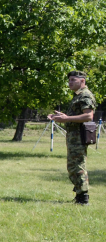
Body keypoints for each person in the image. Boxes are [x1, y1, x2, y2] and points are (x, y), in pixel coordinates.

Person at [48, 70, 96, 205]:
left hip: (79, 135)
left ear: (82, 81)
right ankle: (79, 195)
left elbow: (88, 116)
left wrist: (66, 118)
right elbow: (77, 115)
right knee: (72, 166)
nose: (70, 82)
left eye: (73, 80)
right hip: (73, 136)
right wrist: (61, 116)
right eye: (69, 80)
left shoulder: (85, 95)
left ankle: (83, 198)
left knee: (78, 166)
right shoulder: (77, 96)